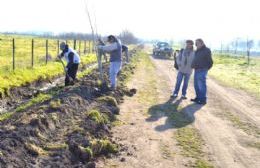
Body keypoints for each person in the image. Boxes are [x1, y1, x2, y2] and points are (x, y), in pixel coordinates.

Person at [191, 39, 213, 105]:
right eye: (196, 44)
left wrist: (206, 69)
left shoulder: (207, 50)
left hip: (202, 70)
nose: (196, 45)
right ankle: (198, 98)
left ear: (202, 43)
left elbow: (210, 61)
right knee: (196, 85)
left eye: (197, 43)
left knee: (201, 85)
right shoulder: (197, 50)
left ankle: (203, 100)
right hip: (196, 70)